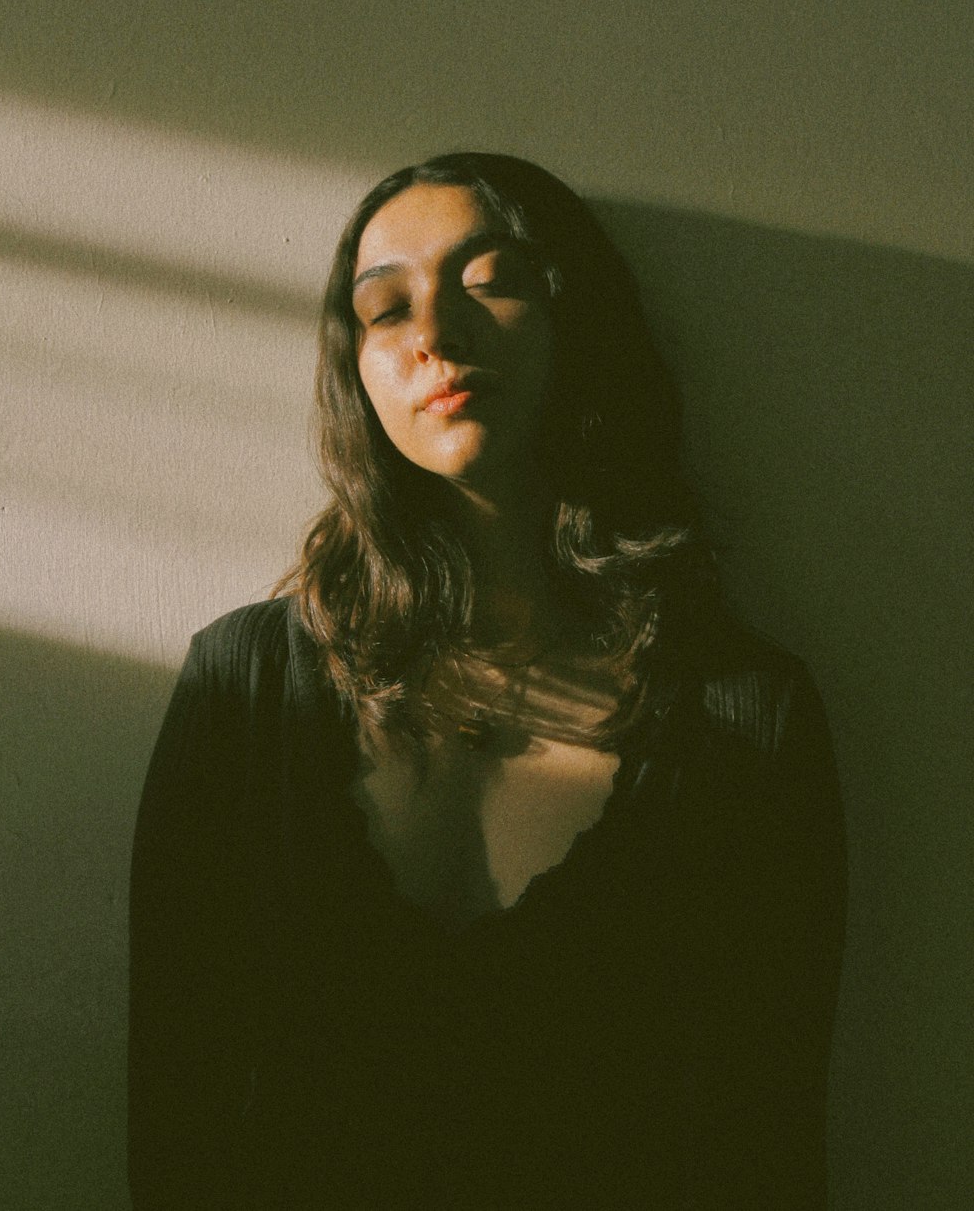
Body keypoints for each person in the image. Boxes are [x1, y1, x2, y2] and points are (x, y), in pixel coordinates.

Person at [128, 153, 847, 1209]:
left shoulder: (743, 719)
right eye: (384, 309)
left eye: (489, 280)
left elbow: (765, 1143)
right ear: (355, 374)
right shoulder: (244, 689)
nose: (433, 335)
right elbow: (173, 1116)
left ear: (574, 321)